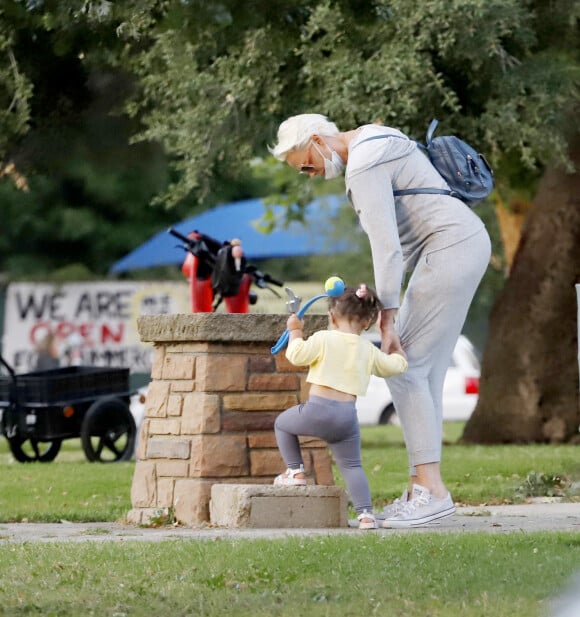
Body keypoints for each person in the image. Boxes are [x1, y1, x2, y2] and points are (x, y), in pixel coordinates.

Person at [270, 113, 491, 527]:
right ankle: (422, 488)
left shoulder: (364, 163)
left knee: (405, 369)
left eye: (306, 164)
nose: (311, 175)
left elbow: (387, 247)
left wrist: (386, 318)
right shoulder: (378, 136)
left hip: (450, 249)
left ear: (317, 140)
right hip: (462, 243)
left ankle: (430, 491)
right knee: (424, 372)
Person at [273, 284, 408, 530]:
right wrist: (399, 354)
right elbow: (392, 367)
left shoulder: (323, 339)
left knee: (282, 424)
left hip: (317, 411)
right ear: (367, 322)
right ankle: (366, 515)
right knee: (352, 466)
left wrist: (294, 331)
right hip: (346, 418)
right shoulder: (367, 349)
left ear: (332, 317)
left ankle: (295, 473)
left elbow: (296, 355)